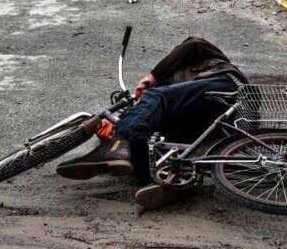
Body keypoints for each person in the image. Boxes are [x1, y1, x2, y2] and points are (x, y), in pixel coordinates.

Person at [56, 36, 247, 212]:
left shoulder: (202, 56)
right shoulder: (173, 96)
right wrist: (115, 128)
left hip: (224, 88)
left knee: (154, 99)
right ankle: (165, 181)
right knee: (152, 142)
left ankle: (118, 145)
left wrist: (152, 76)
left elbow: (193, 44)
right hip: (204, 119)